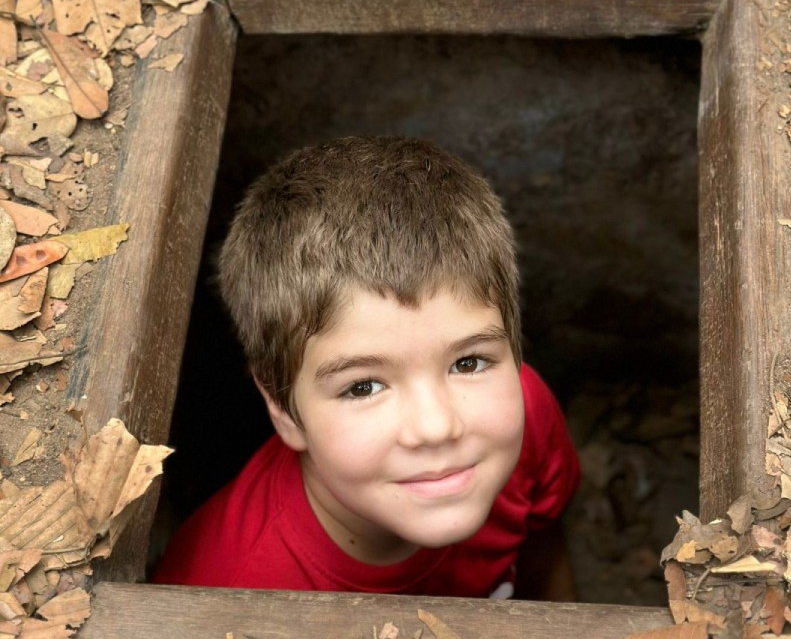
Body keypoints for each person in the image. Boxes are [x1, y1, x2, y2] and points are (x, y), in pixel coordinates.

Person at [153, 136, 579, 600]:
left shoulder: (528, 408)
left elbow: (543, 548)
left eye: (468, 362)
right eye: (363, 387)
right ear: (281, 408)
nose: (436, 427)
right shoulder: (224, 595)